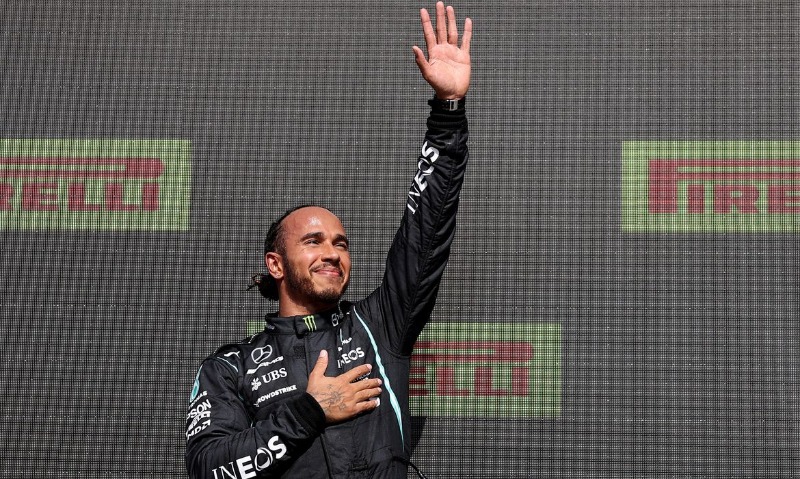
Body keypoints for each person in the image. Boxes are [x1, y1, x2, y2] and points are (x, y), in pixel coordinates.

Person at [185, 3, 472, 478]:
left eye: (341, 243)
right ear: (275, 264)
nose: (332, 253)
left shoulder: (378, 326)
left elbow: (426, 229)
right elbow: (209, 470)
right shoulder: (230, 367)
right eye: (314, 241)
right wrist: (310, 411)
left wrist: (447, 113)